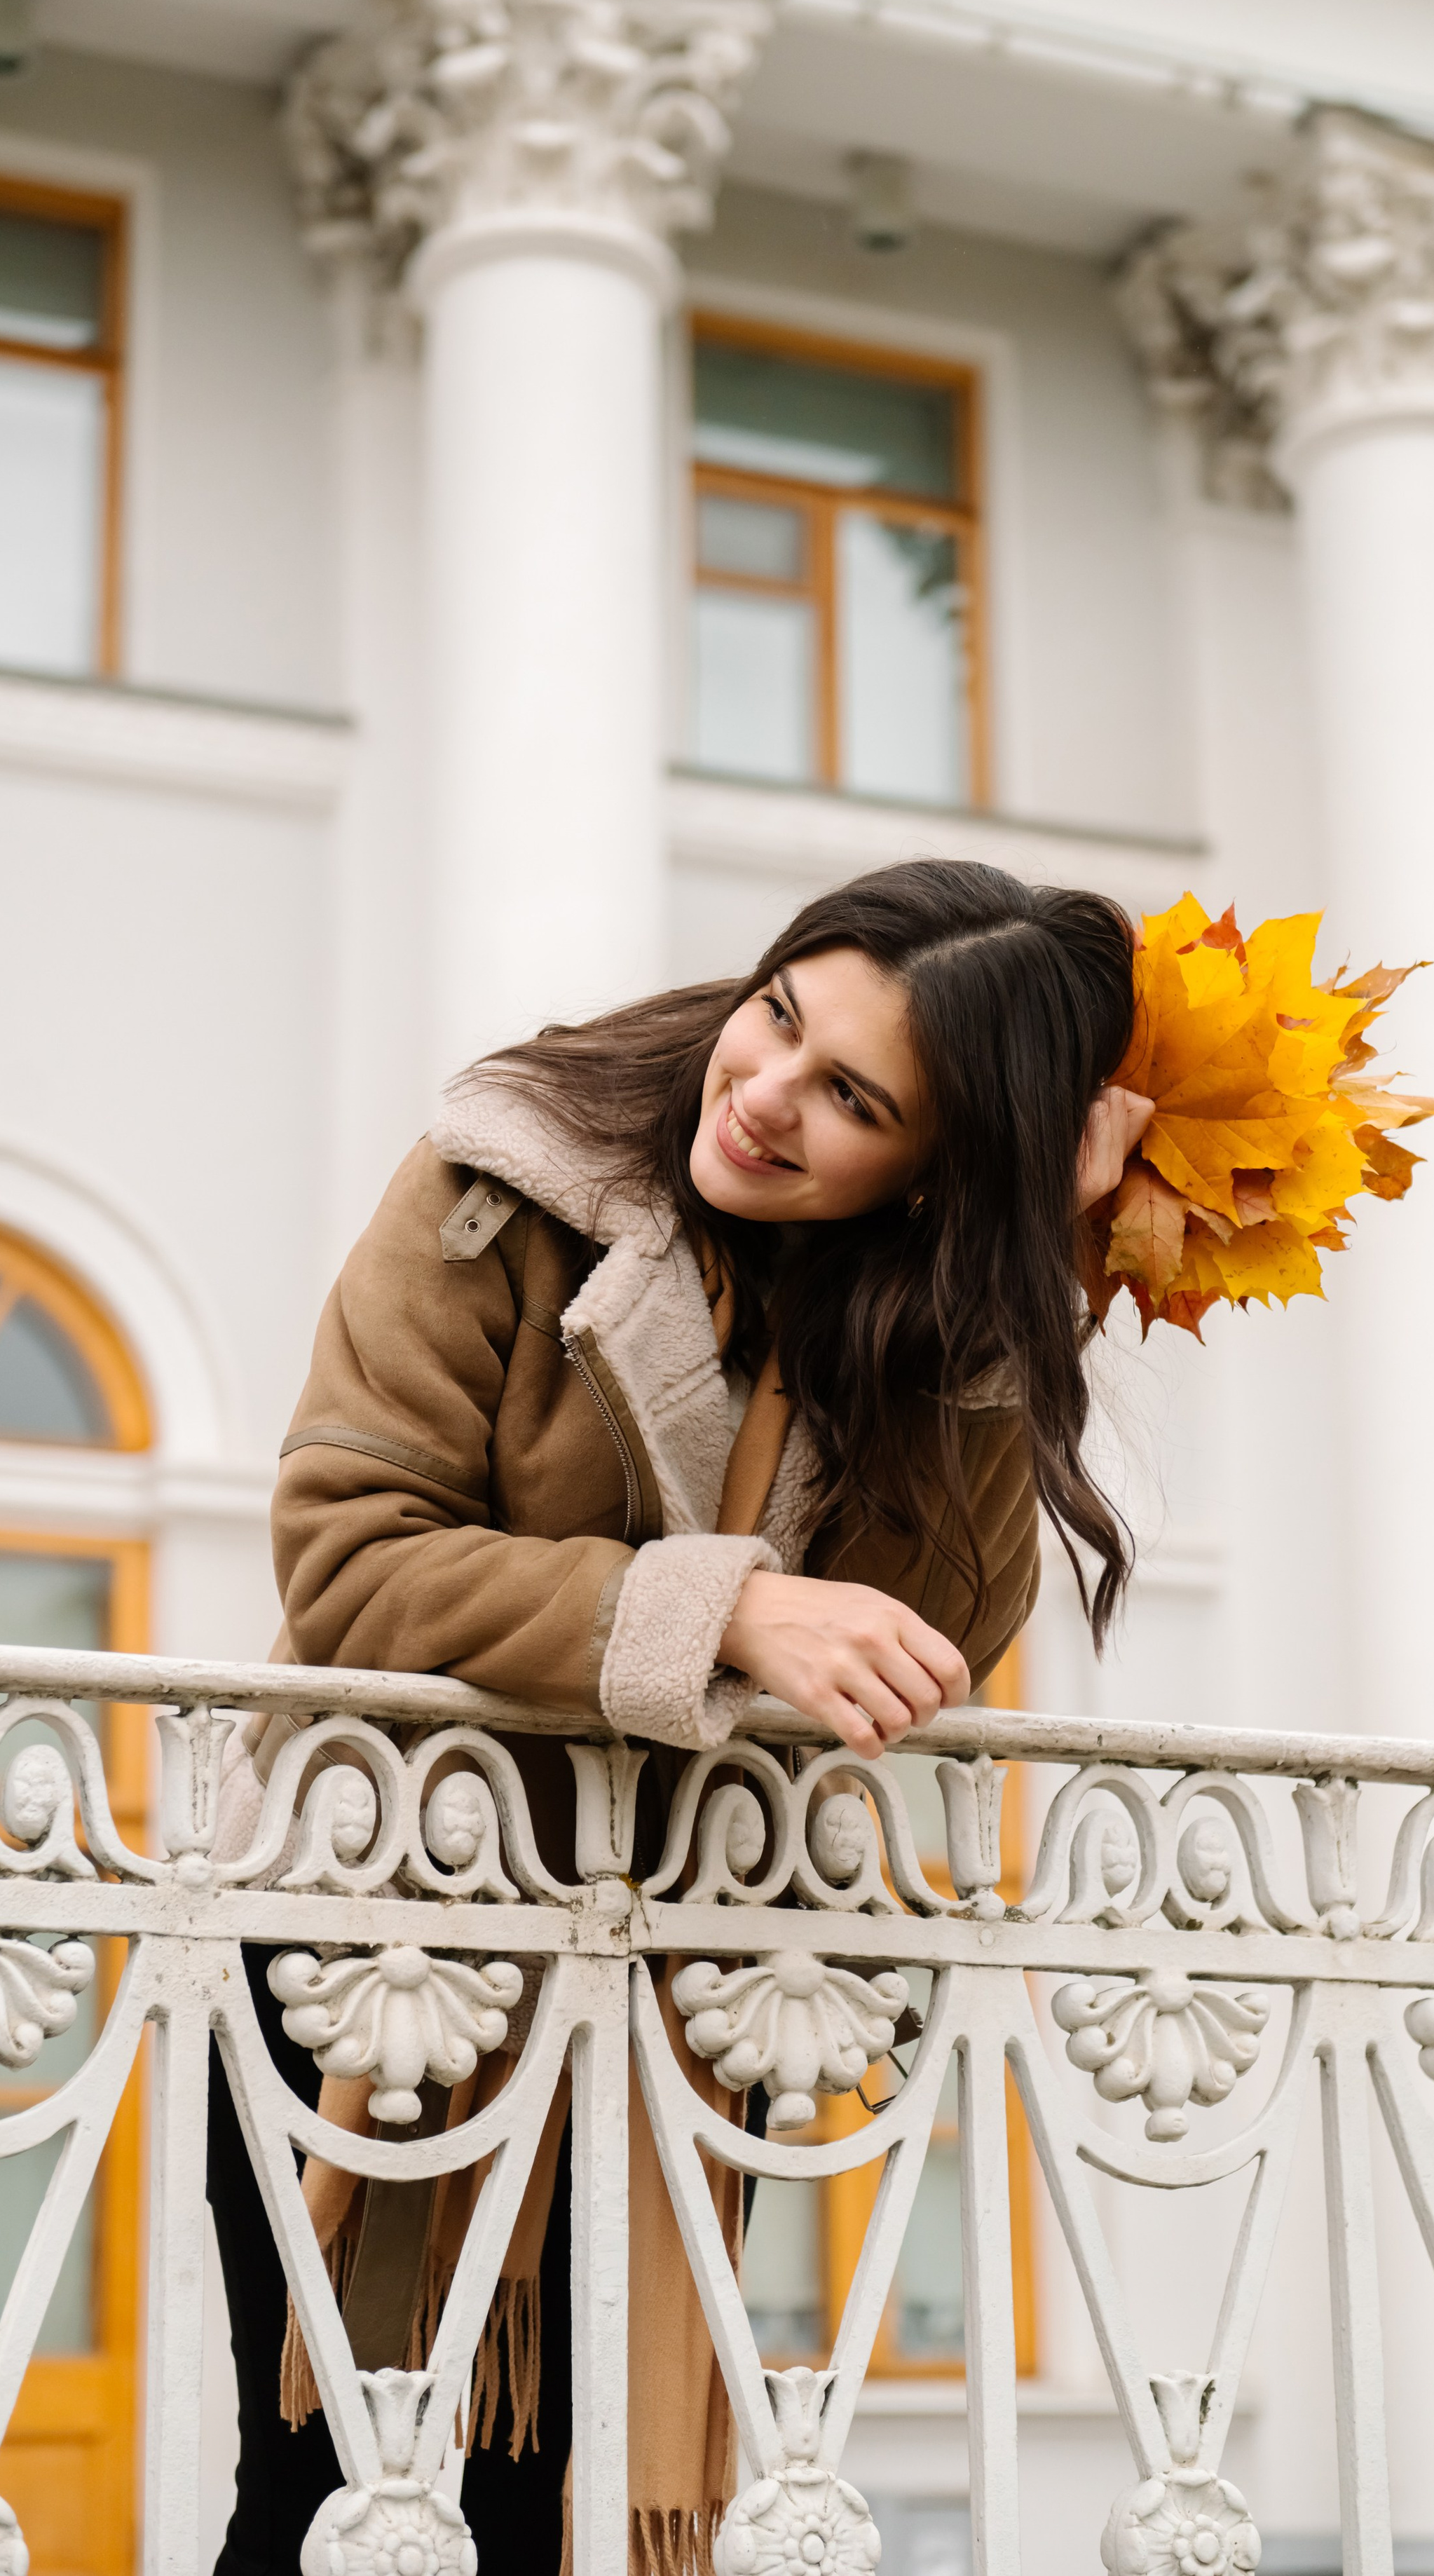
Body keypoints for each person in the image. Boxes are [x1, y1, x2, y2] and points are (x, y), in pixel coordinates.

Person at [207, 857, 1152, 2576]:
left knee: (569, 2511)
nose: (768, 1093)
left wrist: (1025, 1276)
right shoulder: (506, 1176)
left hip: (692, 1995)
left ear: (938, 1171)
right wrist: (724, 1607)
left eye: (853, 1099)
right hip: (372, 1950)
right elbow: (351, 1558)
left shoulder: (906, 1296)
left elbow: (934, 1635)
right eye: (779, 1014)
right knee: (338, 2509)